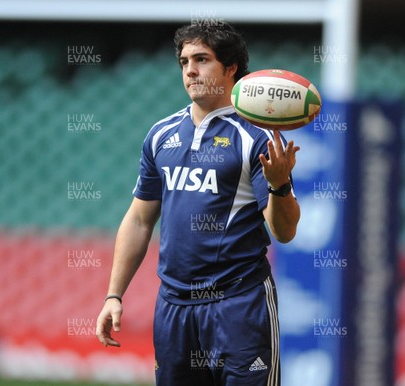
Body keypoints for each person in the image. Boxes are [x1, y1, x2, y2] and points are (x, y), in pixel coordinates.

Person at [96, 21, 300, 386]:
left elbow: (284, 232)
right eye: (184, 61)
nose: (190, 70)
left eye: (202, 59)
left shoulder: (256, 137)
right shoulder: (160, 135)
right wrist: (114, 294)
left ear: (231, 67)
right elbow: (140, 221)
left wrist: (280, 185)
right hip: (174, 309)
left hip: (240, 304)